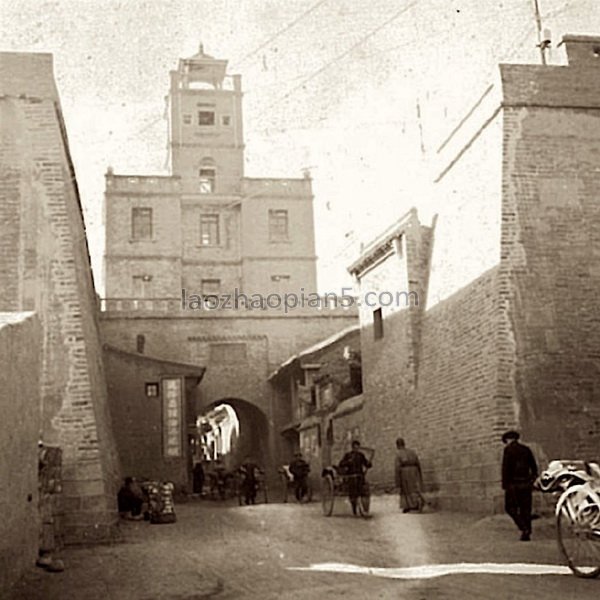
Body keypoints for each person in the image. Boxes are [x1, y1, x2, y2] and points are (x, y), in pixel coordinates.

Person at [501, 430, 538, 541]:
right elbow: (534, 467)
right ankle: (527, 533)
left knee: (510, 508)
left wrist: (505, 484)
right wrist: (532, 480)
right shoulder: (526, 449)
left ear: (508, 440)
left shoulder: (508, 450)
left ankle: (523, 527)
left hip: (513, 484)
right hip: (526, 483)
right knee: (525, 509)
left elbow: (506, 468)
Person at [338, 440, 372, 514]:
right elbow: (341, 464)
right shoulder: (348, 455)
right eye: (355, 447)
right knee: (353, 493)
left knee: (362, 491)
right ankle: (354, 509)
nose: (356, 449)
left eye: (357, 447)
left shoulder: (361, 455)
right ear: (352, 447)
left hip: (360, 476)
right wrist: (348, 462)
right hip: (351, 477)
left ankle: (363, 508)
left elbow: (366, 464)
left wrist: (369, 464)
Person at [395, 437, 425, 513]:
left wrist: (397, 481)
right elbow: (418, 463)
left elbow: (397, 467)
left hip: (405, 472)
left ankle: (408, 505)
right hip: (414, 471)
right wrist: (419, 473)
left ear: (397, 445)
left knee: (406, 489)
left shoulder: (398, 454)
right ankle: (416, 503)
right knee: (414, 488)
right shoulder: (412, 452)